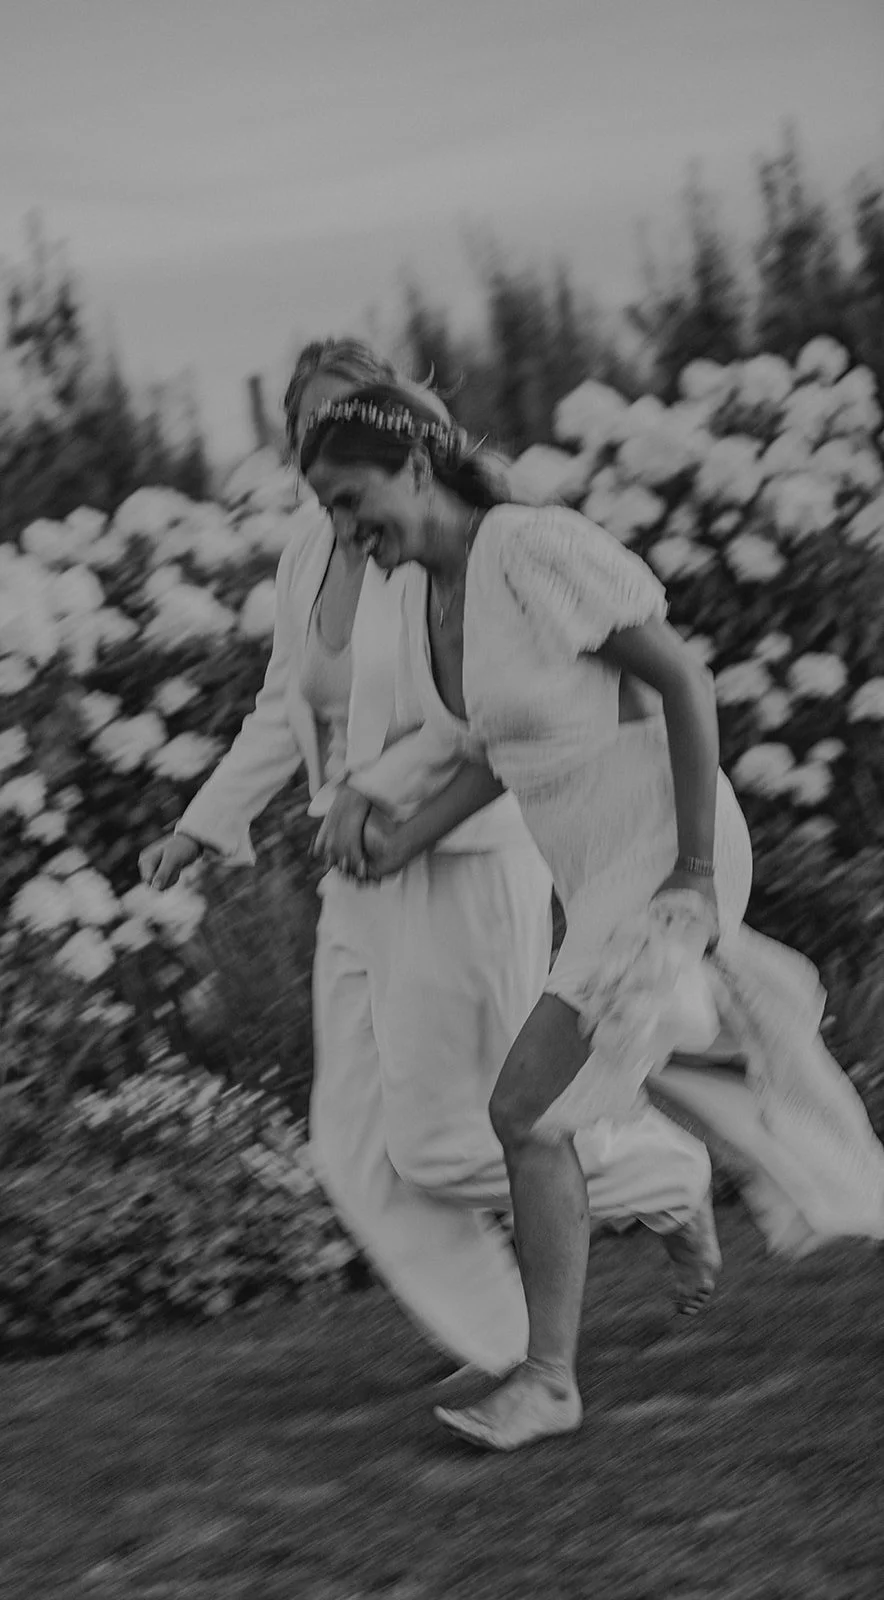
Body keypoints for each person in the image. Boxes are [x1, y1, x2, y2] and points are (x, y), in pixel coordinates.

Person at [299, 379, 884, 1449]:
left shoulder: (529, 546)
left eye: (351, 500)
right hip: (597, 869)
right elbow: (495, 752)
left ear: (416, 467)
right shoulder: (432, 593)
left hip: (660, 850)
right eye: (328, 511)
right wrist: (405, 838)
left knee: (527, 1107)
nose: (344, 530)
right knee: (664, 1061)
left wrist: (694, 874)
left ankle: (549, 1380)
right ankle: (752, 1070)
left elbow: (684, 682)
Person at [140, 340, 725, 1385]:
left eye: (345, 419)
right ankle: (500, 1341)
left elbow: (476, 715)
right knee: (354, 1143)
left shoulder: (451, 542)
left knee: (479, 1130)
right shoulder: (312, 552)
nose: (323, 446)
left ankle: (656, 1181)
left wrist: (381, 793)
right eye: (307, 429)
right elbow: (283, 707)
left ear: (399, 429)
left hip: (465, 857)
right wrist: (201, 824)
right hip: (360, 869)